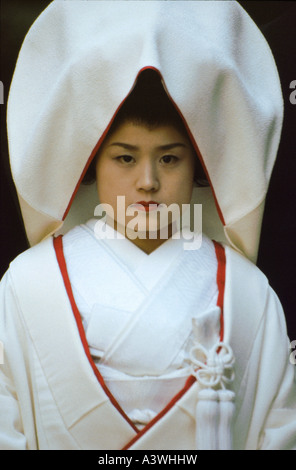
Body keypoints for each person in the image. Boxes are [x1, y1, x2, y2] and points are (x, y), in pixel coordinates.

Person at [0, 0, 295, 450]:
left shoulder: (248, 293)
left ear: (200, 164)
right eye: (124, 157)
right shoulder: (26, 285)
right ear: (89, 165)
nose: (148, 182)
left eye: (170, 158)